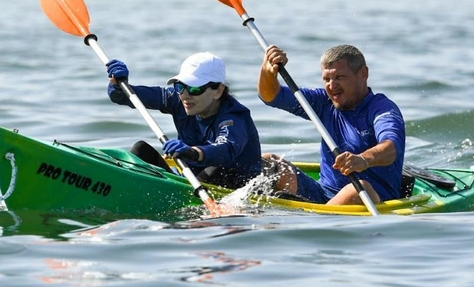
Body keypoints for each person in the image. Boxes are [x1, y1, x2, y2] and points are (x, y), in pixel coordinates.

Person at [258, 44, 405, 206]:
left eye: (340, 77)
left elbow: (392, 148)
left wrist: (363, 159)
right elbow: (270, 96)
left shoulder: (381, 109)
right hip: (322, 193)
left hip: (371, 197)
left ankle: (313, 223)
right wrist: (268, 72)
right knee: (269, 163)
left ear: (364, 73)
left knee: (356, 189)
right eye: (326, 79)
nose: (331, 85)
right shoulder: (323, 103)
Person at [105, 51, 262, 189]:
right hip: (190, 180)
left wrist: (192, 152)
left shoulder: (234, 116)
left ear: (218, 91)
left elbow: (226, 149)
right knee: (140, 150)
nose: (185, 95)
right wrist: (118, 85)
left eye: (195, 89)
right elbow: (127, 97)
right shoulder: (178, 99)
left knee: (216, 169)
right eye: (180, 87)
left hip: (234, 185)